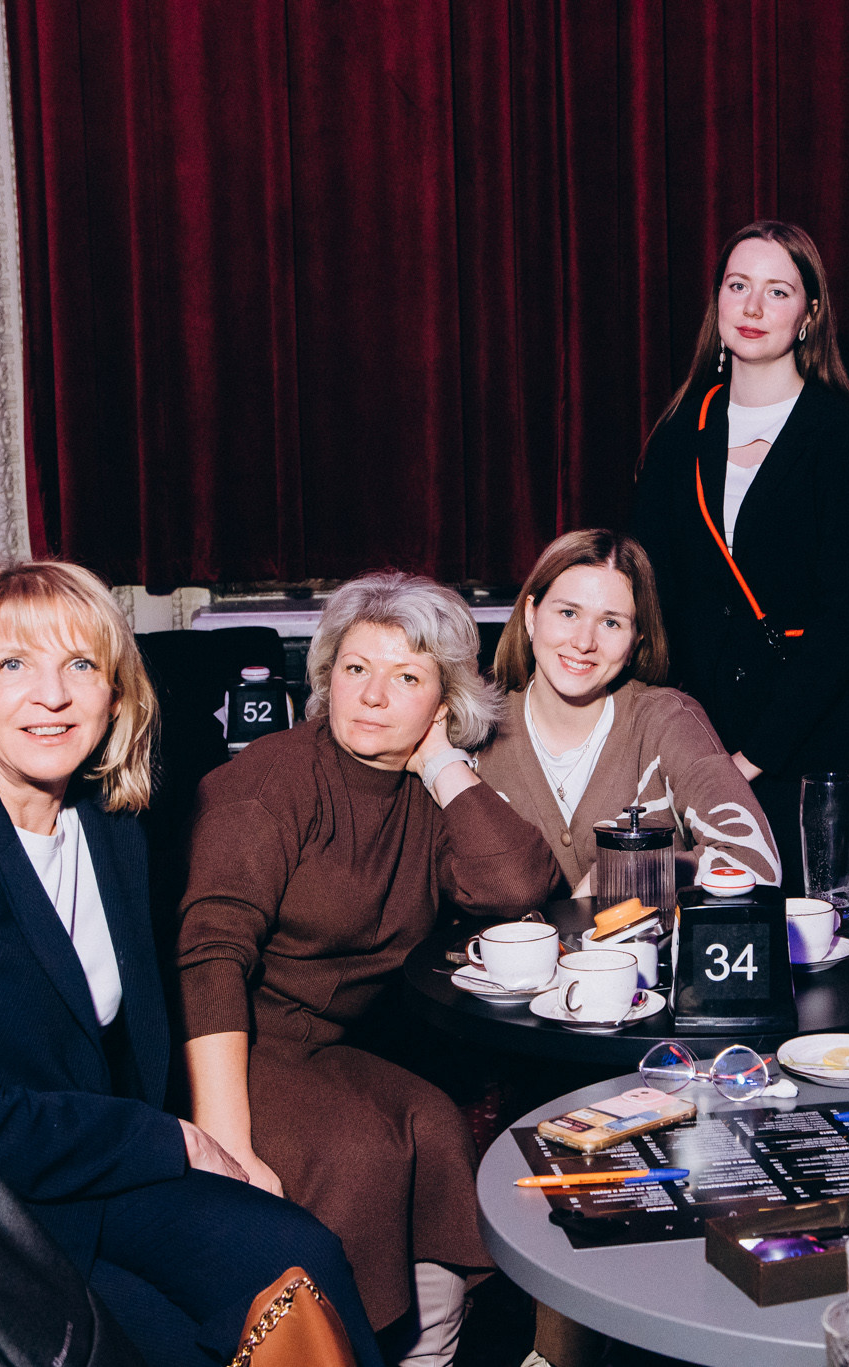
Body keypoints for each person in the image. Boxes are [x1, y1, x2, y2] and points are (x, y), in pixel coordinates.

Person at [0, 560, 382, 1367]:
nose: (51, 695)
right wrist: (176, 1140)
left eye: (81, 665)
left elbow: (112, 1047)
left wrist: (197, 1142)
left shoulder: (106, 821)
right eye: (13, 664)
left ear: (116, 696)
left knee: (302, 1262)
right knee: (156, 1342)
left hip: (61, 1165)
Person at [179, 571, 560, 1366]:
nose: (374, 695)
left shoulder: (425, 789)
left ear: (444, 702)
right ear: (328, 675)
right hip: (232, 1042)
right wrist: (225, 1143)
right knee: (360, 1150)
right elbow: (210, 954)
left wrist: (443, 763)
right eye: (356, 668)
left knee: (436, 1127)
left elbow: (519, 883)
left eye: (408, 677)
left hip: (325, 1046)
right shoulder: (270, 784)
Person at [632, 220, 849, 885]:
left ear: (809, 315)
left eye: (778, 291)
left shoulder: (846, 438)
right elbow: (650, 595)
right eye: (737, 285)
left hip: (807, 749)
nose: (752, 307)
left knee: (804, 933)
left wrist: (753, 756)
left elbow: (847, 620)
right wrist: (677, 747)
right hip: (697, 740)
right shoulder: (679, 430)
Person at [475, 528, 779, 894]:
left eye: (611, 622)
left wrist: (621, 873)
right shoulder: (474, 726)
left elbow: (757, 865)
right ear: (531, 614)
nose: (584, 642)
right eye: (568, 612)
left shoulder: (667, 722)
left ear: (635, 642)